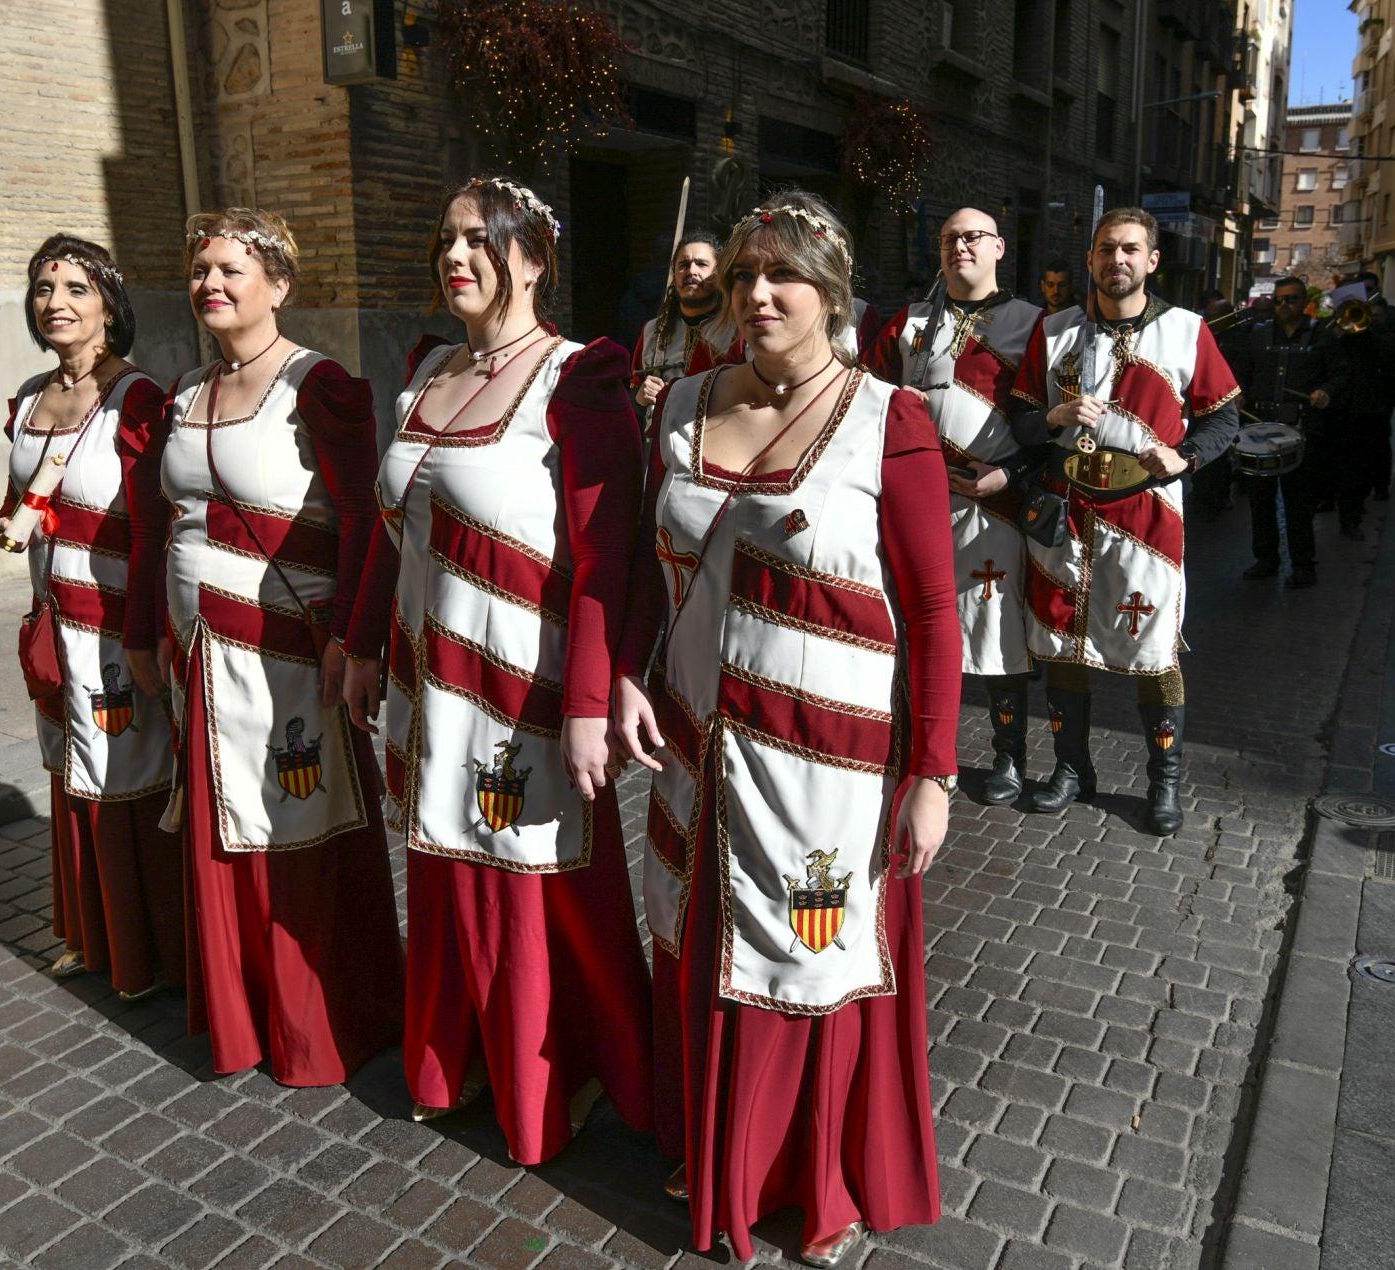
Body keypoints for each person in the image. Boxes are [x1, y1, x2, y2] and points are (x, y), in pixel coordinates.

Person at [613, 190, 959, 1267]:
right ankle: (713, 1151)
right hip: (696, 734)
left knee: (804, 961)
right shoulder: (676, 403)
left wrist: (935, 772)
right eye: (748, 273)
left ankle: (805, 1179)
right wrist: (627, 672)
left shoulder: (886, 420)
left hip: (832, 755)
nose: (758, 294)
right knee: (699, 944)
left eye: (785, 277)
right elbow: (642, 560)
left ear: (831, 293)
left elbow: (937, 609)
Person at [337, 176, 654, 1164]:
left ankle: (561, 1077)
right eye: (447, 240)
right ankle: (458, 1055)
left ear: (532, 256)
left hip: (531, 682)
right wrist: (357, 645)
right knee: (440, 861)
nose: (457, 256)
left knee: (529, 880)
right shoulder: (426, 371)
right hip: (428, 679)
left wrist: (594, 703)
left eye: (481, 239)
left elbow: (614, 555)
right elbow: (396, 533)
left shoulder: (580, 376)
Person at [148, 208, 403, 1086]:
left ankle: (319, 1024)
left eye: (230, 271)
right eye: (199, 271)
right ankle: (241, 1016)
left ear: (279, 285)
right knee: (225, 830)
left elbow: (368, 521)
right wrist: (158, 630)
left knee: (299, 823)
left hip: (293, 654)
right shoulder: (182, 391)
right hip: (200, 654)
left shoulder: (319, 385)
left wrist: (352, 639)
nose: (210, 285)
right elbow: (168, 520)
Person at [1009, 208, 1240, 835]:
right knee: (1063, 643)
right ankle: (1070, 768)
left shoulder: (1188, 331)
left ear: (1152, 259)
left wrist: (1184, 454)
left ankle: (1163, 783)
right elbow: (1022, 423)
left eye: (1130, 249)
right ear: (1091, 259)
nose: (1118, 260)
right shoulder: (1055, 330)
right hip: (1067, 513)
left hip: (1148, 518)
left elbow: (1225, 420)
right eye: (1106, 249)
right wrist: (1053, 420)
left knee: (1154, 649)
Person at [0, 234, 182, 1003]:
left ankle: (154, 954)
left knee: (127, 782)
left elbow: (152, 533)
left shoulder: (136, 400)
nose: (57, 303)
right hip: (52, 627)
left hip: (112, 629)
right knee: (71, 780)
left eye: (77, 288)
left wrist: (143, 637)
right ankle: (95, 936)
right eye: (45, 288)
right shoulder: (29, 397)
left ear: (109, 305)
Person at [867, 208, 1045, 806]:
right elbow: (866, 394)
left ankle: (1009, 757)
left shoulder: (1031, 325)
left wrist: (1011, 472)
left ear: (998, 247)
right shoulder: (910, 321)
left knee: (997, 632)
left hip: (994, 501)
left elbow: (1045, 425)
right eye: (949, 238)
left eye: (972, 237)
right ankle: (917, 748)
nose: (960, 246)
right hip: (917, 499)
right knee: (912, 627)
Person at [1240, 275, 1344, 585]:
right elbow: (1241, 373)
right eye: (1280, 299)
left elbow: (1341, 374)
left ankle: (1303, 565)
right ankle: (1266, 559)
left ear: (1305, 303)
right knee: (1260, 500)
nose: (1284, 304)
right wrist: (1238, 393)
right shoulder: (1257, 336)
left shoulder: (1323, 337)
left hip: (1302, 428)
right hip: (1260, 426)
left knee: (1300, 502)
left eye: (1292, 299)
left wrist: (1326, 391)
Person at [1326, 273, 1395, 533]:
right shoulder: (1329, 326)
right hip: (1336, 400)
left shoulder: (1382, 321)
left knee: (1365, 455)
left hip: (1370, 400)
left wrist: (1374, 326)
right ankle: (1331, 497)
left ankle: (1362, 503)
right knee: (1334, 457)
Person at [631, 230, 741, 412]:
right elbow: (634, 390)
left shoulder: (737, 329)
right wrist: (640, 398)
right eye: (683, 265)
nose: (691, 271)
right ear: (674, 276)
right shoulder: (653, 330)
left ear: (719, 274)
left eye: (701, 264)